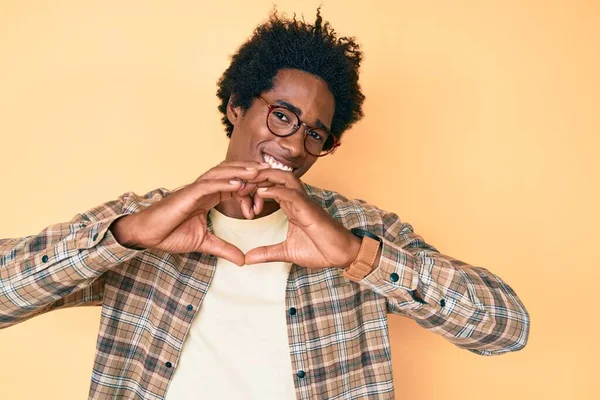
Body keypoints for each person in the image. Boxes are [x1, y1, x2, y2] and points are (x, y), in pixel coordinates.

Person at [0, 9, 529, 400]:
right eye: (282, 115)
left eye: (316, 134)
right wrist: (127, 236)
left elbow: (506, 328)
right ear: (236, 106)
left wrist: (354, 256)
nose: (295, 146)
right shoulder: (147, 222)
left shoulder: (360, 230)